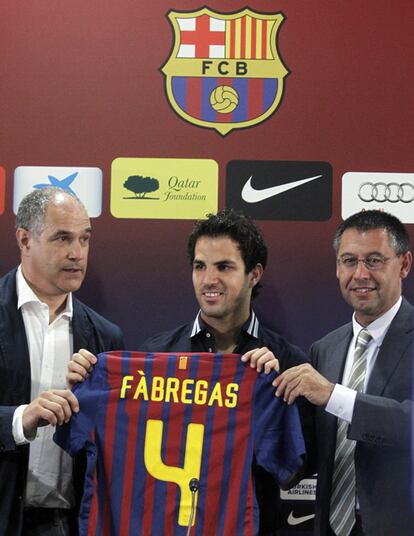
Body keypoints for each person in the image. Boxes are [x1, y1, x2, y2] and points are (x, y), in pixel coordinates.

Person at [68, 208, 309, 535]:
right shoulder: (154, 357)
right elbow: (95, 453)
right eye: (199, 266)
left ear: (254, 274)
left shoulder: (286, 363)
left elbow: (295, 473)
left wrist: (276, 397)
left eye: (224, 267)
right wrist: (83, 387)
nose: (209, 279)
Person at [273, 210, 414, 536]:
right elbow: (308, 448)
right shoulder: (325, 348)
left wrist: (334, 395)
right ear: (337, 268)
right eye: (349, 261)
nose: (360, 273)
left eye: (374, 260)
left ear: (404, 264)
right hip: (332, 527)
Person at [0, 187, 124, 536]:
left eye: (84, 239)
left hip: (69, 525)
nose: (77, 253)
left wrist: (90, 410)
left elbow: (114, 447)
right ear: (25, 240)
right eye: (62, 238)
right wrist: (21, 418)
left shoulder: (105, 337)